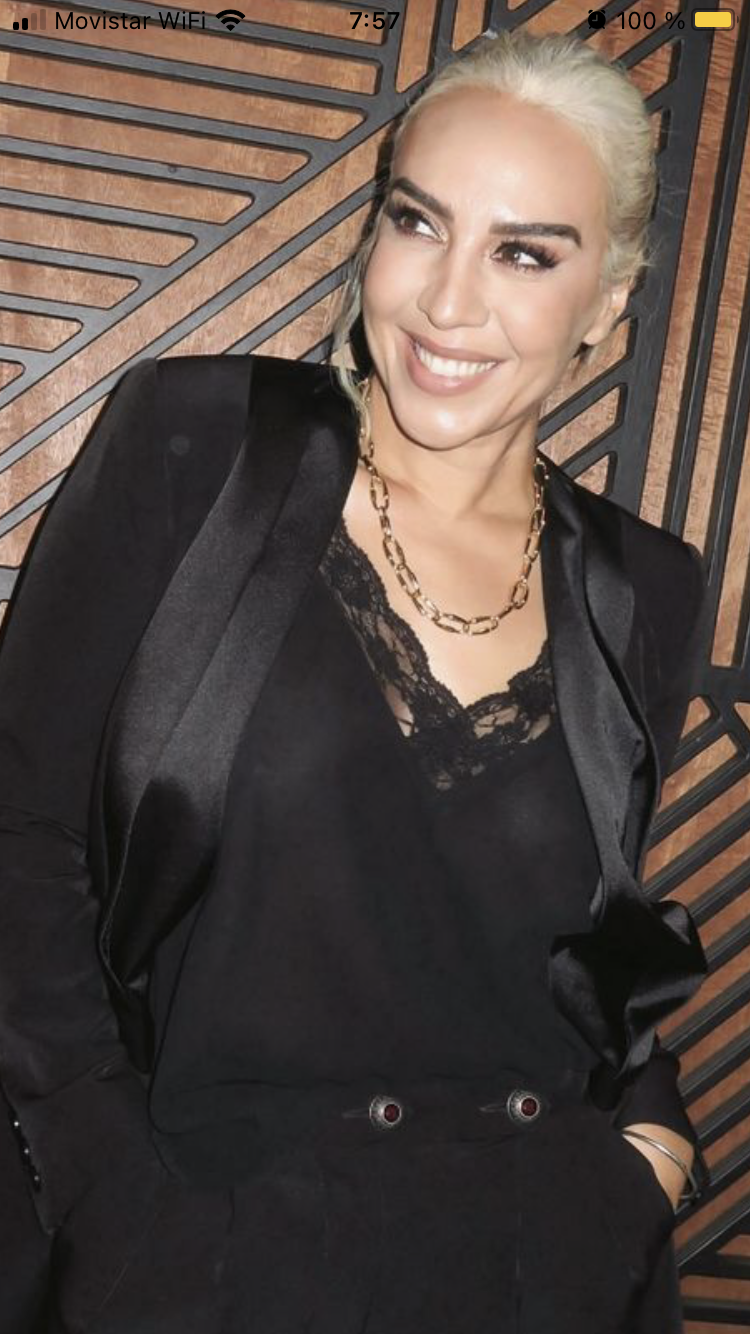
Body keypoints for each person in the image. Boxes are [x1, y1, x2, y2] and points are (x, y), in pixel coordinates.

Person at [0, 27, 711, 1334]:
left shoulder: (643, 589)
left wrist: (647, 1156)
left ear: (608, 300)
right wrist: (112, 1199)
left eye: (523, 253)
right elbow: (20, 830)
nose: (447, 301)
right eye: (417, 222)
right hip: (206, 1258)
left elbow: (594, 943)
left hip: (541, 1261)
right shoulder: (197, 450)